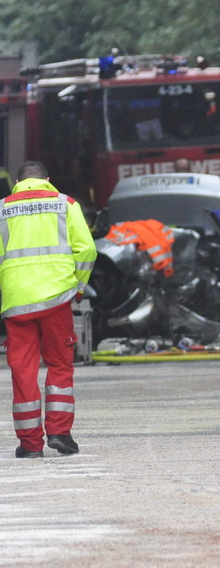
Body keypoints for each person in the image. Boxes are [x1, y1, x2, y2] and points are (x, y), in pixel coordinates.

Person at [0, 161, 96, 458]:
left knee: (23, 370)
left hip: (17, 302)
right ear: (47, 180)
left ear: (18, 181)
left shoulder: (2, 209)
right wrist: (77, 287)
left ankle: (30, 445)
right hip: (57, 298)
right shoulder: (65, 204)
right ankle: (60, 433)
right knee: (59, 364)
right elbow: (87, 250)